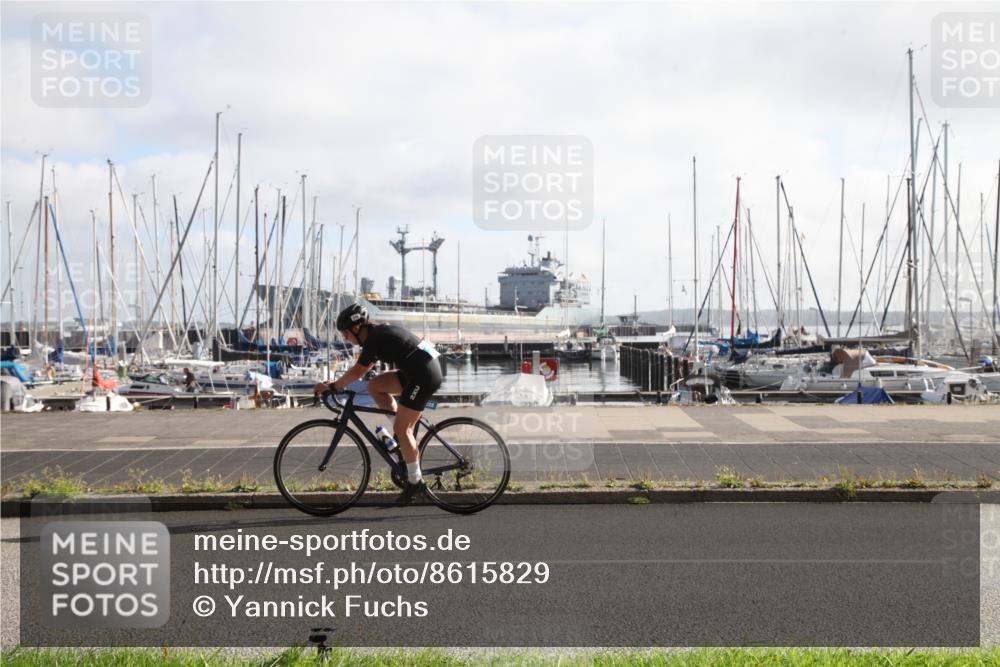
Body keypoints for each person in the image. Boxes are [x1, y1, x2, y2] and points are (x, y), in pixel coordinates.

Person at [314, 303, 442, 503]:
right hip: (416, 370)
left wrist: (334, 386)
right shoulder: (376, 335)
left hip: (423, 376)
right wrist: (335, 384)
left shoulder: (374, 338)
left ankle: (415, 482)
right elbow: (362, 372)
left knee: (403, 428)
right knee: (375, 386)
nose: (344, 338)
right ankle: (401, 442)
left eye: (345, 333)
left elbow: (358, 371)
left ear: (356, 328)